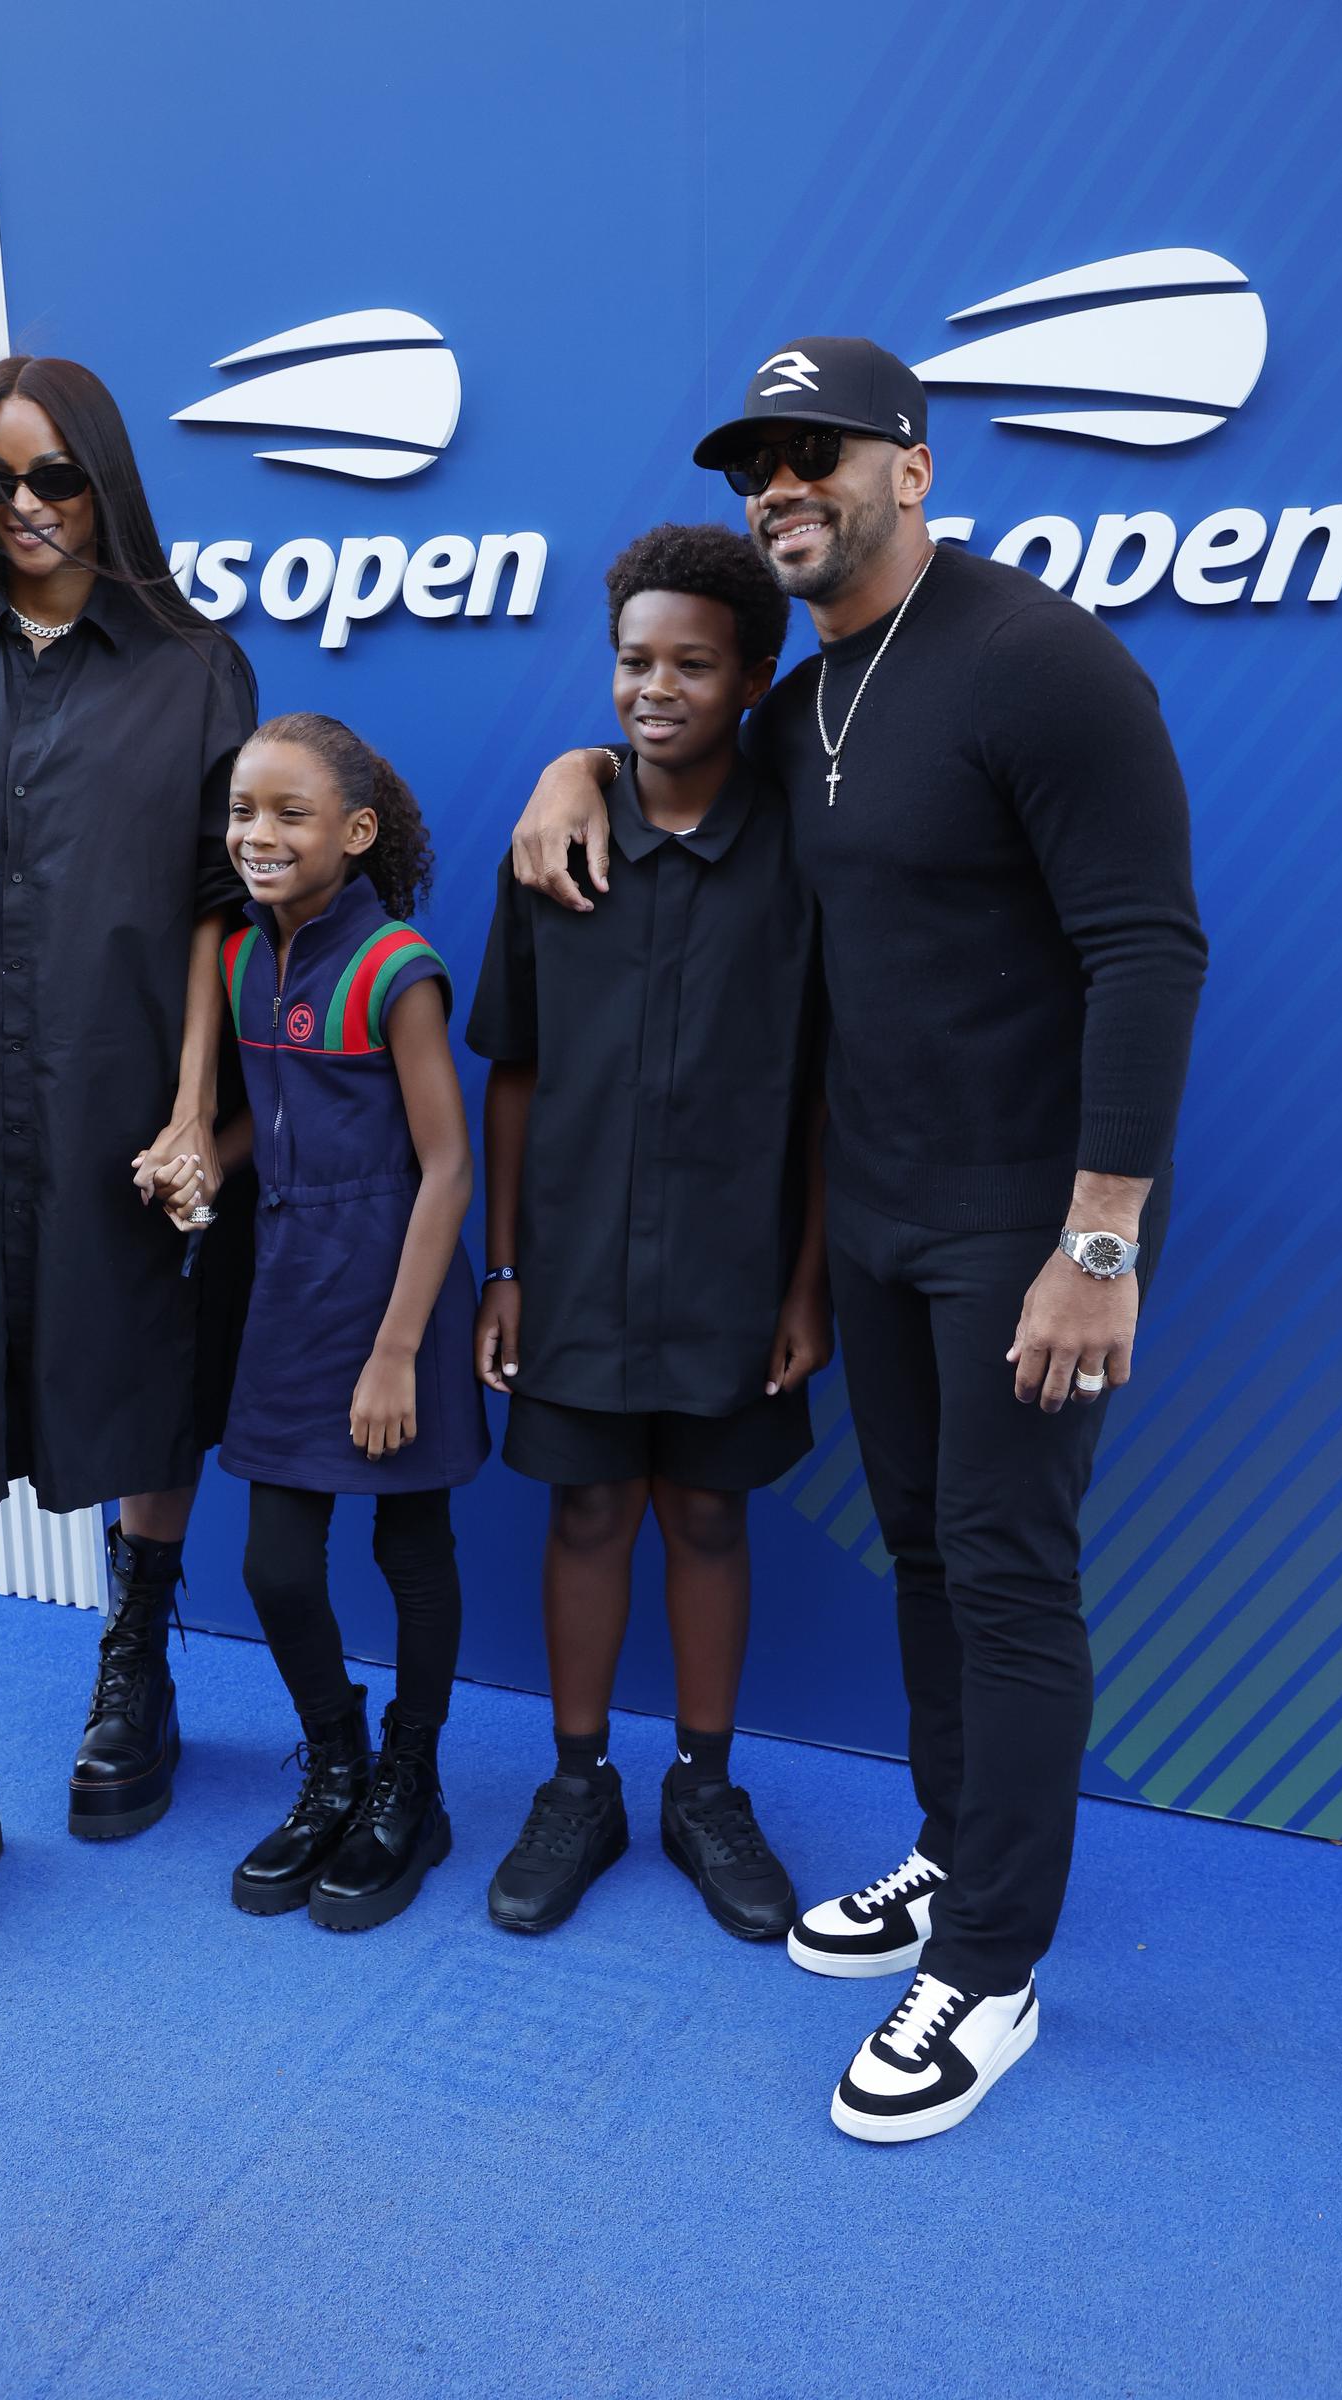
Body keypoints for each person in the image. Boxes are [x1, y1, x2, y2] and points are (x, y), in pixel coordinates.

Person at [508, 339, 1207, 2138]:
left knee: (1004, 1565)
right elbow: (681, 752)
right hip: (883, 1218)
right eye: (761, 467)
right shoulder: (810, 694)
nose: (783, 488)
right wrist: (578, 762)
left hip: (1027, 1227)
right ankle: (957, 1845)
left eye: (818, 453)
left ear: (912, 463)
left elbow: (1148, 951)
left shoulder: (1042, 661)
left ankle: (988, 1967)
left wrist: (1102, 1241)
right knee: (919, 1550)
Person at [0, 355, 257, 1958]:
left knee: (142, 1363)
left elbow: (226, 910)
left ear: (110, 480)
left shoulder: (196, 669)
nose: (26, 509)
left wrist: (193, 1113)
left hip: (123, 1092)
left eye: (57, 477)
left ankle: (134, 1673)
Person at [467, 523, 829, 1944]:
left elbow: (823, 1093)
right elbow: (518, 1070)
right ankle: (577, 1786)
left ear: (753, 678)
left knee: (706, 1512)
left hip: (739, 1268)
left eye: (691, 663)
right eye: (632, 662)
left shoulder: (802, 856)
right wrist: (502, 1268)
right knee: (587, 1507)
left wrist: (809, 1281)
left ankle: (704, 1785)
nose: (655, 688)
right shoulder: (552, 841)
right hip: (570, 1266)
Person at [204, 713, 488, 1932]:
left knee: (408, 1548)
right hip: (287, 1284)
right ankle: (335, 1764)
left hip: (395, 1292)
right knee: (275, 1561)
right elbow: (257, 1125)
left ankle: (410, 1787)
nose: (258, 835)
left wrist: (393, 1355)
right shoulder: (235, 957)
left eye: (290, 814)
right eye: (242, 813)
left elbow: (449, 1170)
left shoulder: (395, 969)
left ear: (356, 834)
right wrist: (200, 1161)